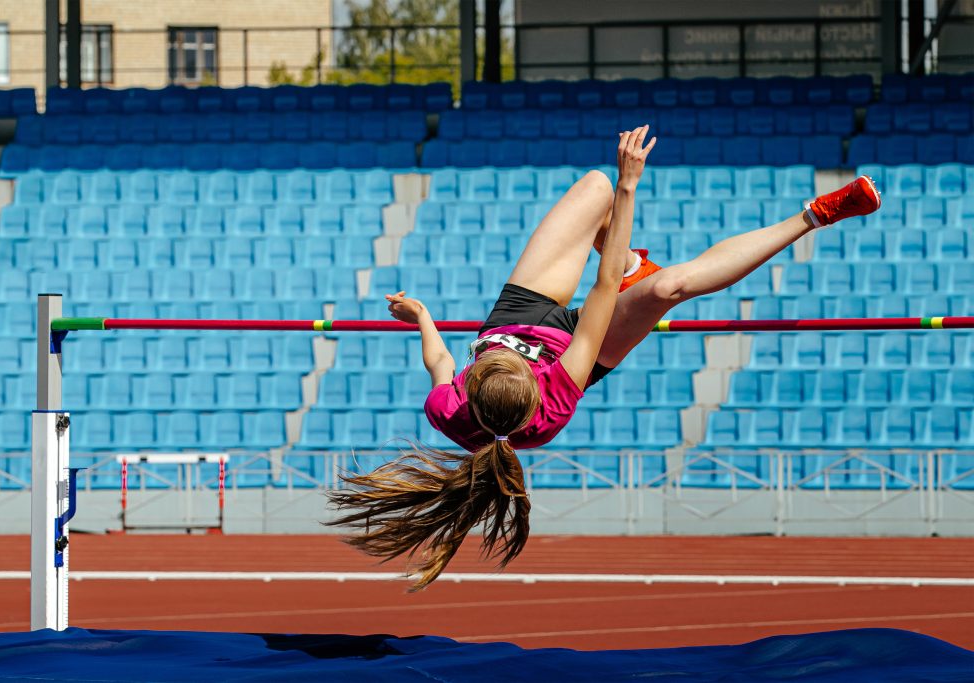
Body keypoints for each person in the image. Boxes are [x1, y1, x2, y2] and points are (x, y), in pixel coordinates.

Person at [328, 127, 882, 590]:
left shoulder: (449, 408)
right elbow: (603, 289)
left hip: (520, 310)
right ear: (531, 384)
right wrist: (629, 184)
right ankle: (817, 215)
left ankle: (630, 250)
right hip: (583, 349)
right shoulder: (556, 396)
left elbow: (439, 363)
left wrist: (422, 316)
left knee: (591, 187)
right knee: (668, 288)